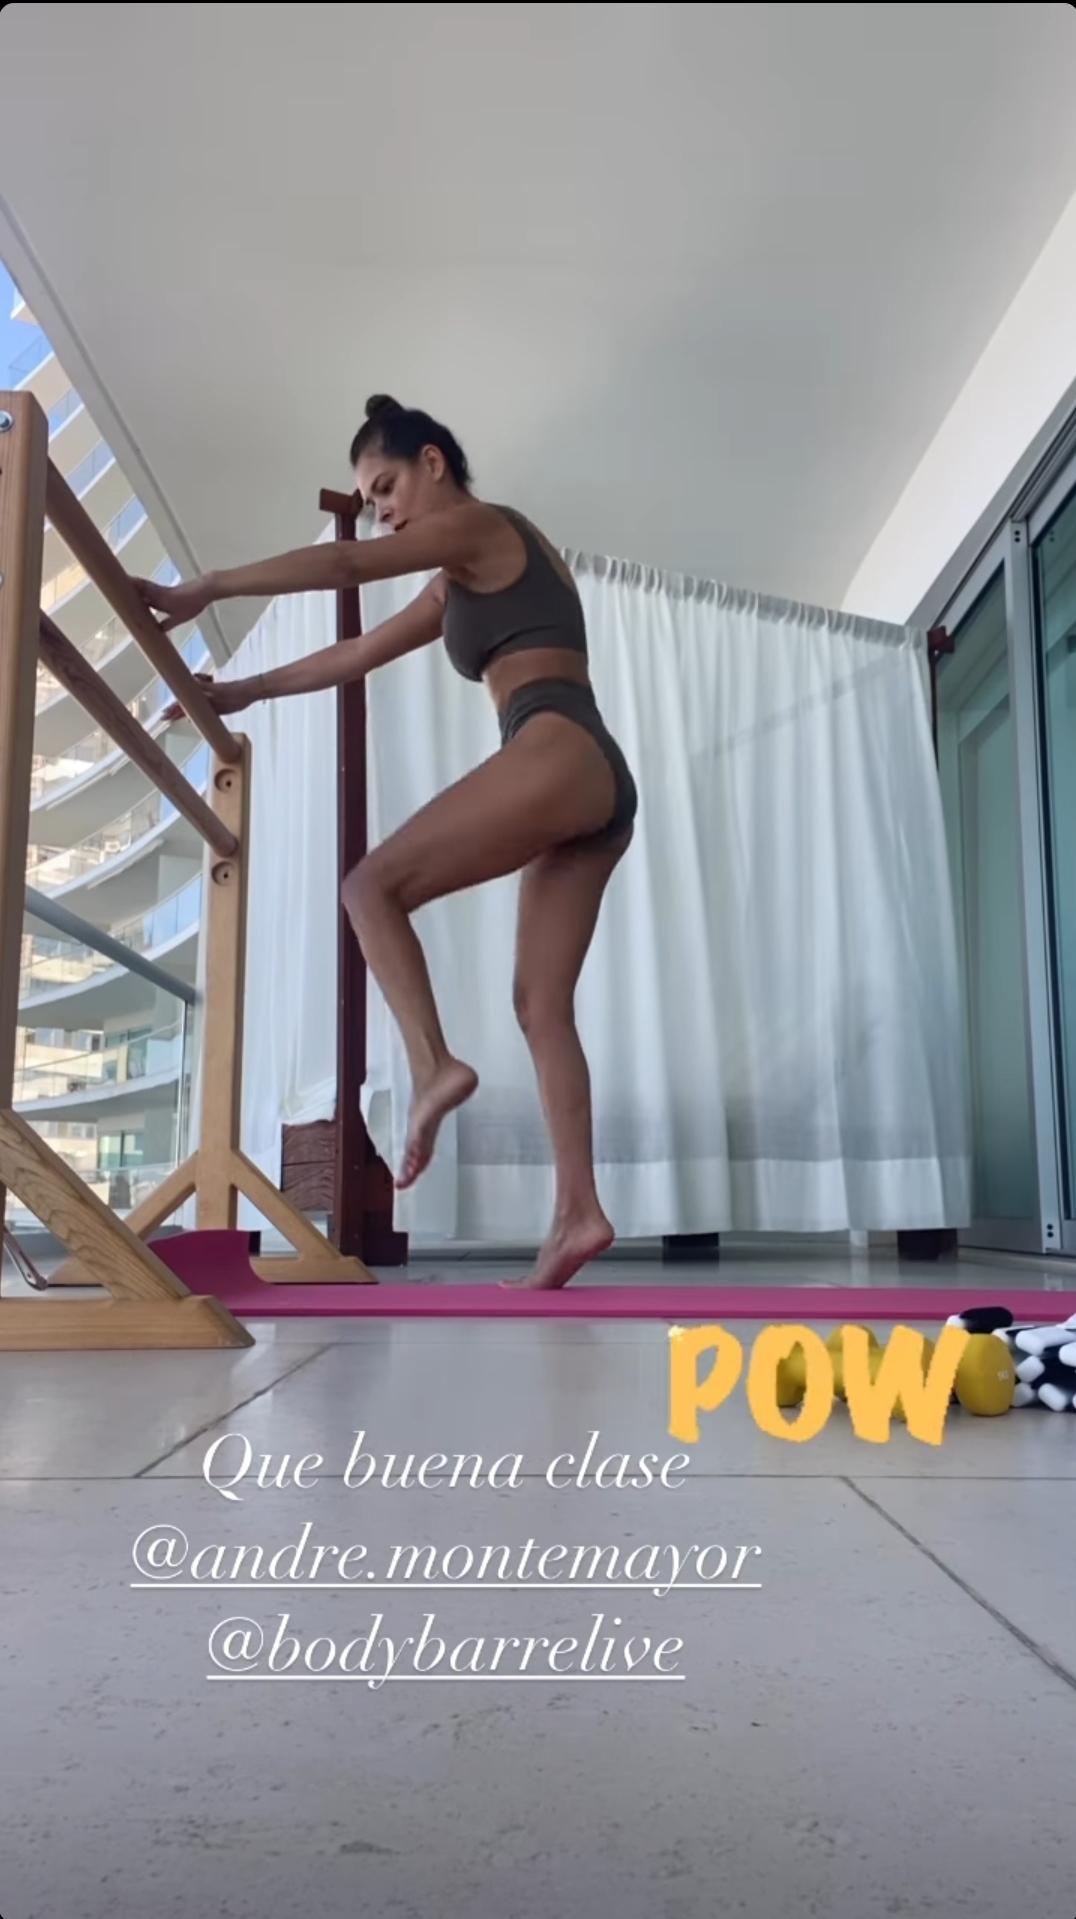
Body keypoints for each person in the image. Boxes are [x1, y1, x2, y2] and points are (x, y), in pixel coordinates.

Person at [139, 396, 637, 1291]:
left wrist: (204, 587)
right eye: (372, 499)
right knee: (540, 1004)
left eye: (386, 487)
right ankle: (578, 1212)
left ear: (433, 462)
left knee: (370, 887)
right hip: (585, 771)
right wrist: (243, 690)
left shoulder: (484, 527)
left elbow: (345, 564)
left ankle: (433, 1066)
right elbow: (357, 655)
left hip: (558, 742)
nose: (381, 511)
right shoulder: (454, 579)